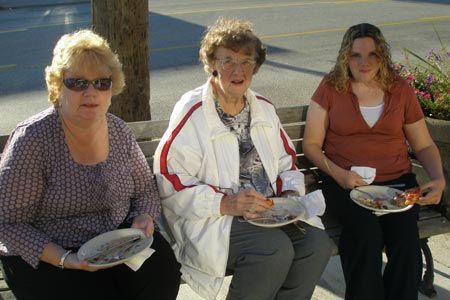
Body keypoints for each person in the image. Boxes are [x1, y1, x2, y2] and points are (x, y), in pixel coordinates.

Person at [153, 17, 331, 300]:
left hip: (268, 213)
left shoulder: (263, 108)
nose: (238, 70)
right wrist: (226, 203)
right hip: (212, 219)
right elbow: (169, 179)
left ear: (255, 66)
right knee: (273, 249)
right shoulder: (193, 111)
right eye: (227, 61)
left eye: (246, 61)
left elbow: (287, 162)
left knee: (316, 244)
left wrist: (289, 196)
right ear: (212, 63)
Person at [0, 29, 181, 300]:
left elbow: (144, 190)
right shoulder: (34, 139)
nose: (91, 92)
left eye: (101, 83)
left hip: (114, 246)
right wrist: (65, 259)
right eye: (77, 83)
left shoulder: (119, 131)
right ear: (58, 86)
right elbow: (7, 223)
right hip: (49, 255)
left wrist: (144, 217)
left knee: (164, 273)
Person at [303, 23, 446, 300]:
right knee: (364, 236)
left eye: (372, 55)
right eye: (356, 55)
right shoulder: (331, 87)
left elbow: (424, 144)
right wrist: (340, 174)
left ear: (383, 56)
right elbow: (311, 145)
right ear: (346, 56)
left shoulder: (399, 89)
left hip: (397, 184)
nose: (364, 62)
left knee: (405, 242)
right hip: (345, 183)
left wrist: (438, 179)